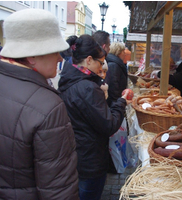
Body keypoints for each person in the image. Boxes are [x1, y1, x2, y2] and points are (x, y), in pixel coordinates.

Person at [0, 9, 79, 199]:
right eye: (55, 51)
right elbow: (59, 189)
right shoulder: (47, 105)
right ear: (31, 57)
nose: (60, 58)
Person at [58, 34, 130, 200]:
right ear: (89, 60)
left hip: (77, 153)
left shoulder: (68, 77)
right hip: (90, 159)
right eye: (100, 62)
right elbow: (109, 125)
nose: (102, 67)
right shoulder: (87, 88)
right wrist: (122, 102)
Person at [105, 42, 128, 107]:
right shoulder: (114, 65)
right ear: (118, 52)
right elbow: (113, 87)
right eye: (123, 51)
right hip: (114, 104)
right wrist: (119, 104)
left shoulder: (116, 64)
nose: (125, 54)